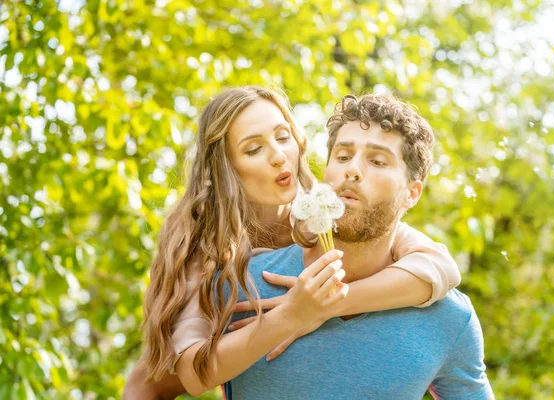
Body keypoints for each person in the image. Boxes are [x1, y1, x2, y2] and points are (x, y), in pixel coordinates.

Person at [123, 87, 461, 399]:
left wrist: (331, 304)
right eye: (254, 149)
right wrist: (291, 314)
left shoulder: (322, 208)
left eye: (283, 137)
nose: (278, 157)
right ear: (226, 167)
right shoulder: (203, 244)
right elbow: (192, 375)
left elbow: (439, 266)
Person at [221, 93, 494, 399]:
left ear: (412, 194)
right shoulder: (244, 284)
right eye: (342, 157)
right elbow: (167, 381)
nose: (352, 170)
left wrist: (330, 303)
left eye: (377, 161)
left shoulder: (449, 319)